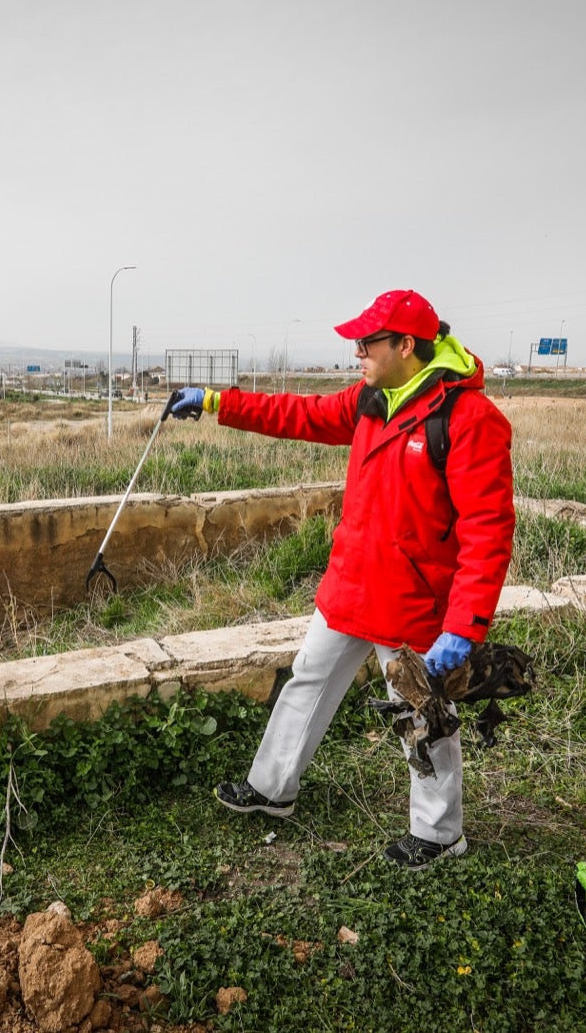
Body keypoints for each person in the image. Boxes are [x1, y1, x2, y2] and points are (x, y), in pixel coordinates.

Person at [166, 289, 514, 869]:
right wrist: (215, 401)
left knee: (422, 716)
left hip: (413, 602)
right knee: (307, 681)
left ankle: (438, 834)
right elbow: (296, 415)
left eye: (367, 343)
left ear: (406, 345)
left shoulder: (469, 418)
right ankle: (272, 789)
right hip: (351, 586)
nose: (357, 352)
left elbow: (488, 530)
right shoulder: (369, 400)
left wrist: (464, 625)